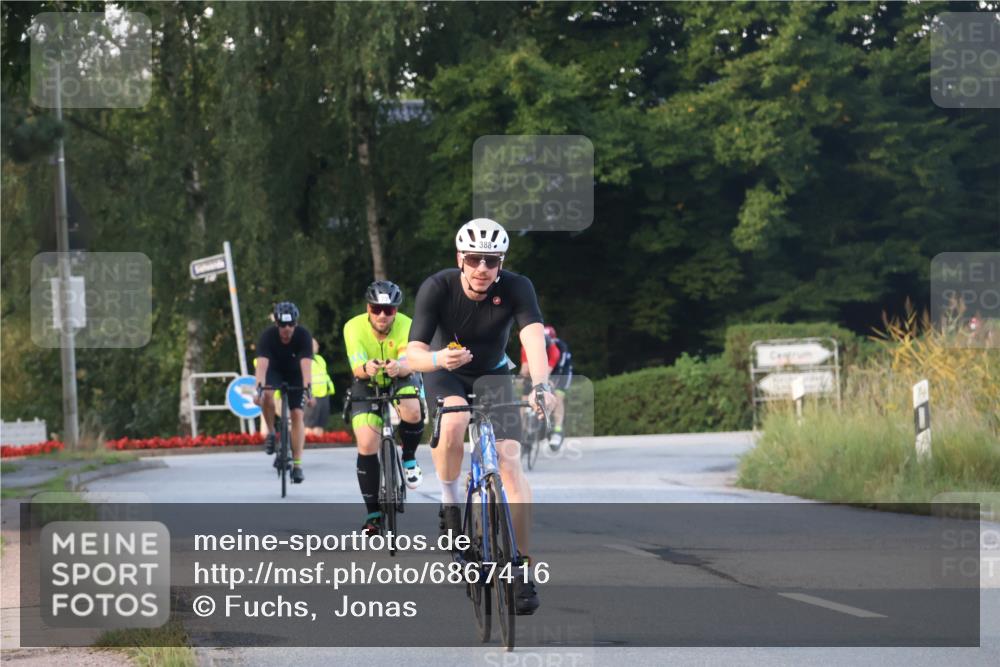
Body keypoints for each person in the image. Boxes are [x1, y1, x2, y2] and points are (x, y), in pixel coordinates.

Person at [405, 217, 555, 616]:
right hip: (444, 371)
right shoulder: (438, 287)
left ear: (501, 262)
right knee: (453, 421)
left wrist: (541, 385)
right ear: (461, 259)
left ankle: (522, 569)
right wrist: (439, 358)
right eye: (474, 259)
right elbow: (412, 354)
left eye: (491, 260)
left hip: (493, 374)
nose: (482, 269)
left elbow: (533, 340)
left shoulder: (518, 287)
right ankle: (450, 502)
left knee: (509, 464)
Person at [344, 280, 425, 536]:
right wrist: (367, 369)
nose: (382, 315)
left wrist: (398, 367)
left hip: (400, 374)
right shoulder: (353, 327)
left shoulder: (407, 324)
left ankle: (409, 457)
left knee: (412, 410)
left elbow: (409, 359)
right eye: (376, 309)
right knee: (367, 443)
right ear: (368, 308)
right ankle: (373, 514)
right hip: (366, 381)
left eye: (389, 310)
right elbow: (357, 367)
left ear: (396, 311)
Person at [252, 301, 315, 484]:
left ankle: (297, 465)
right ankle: (271, 432)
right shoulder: (267, 336)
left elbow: (306, 366)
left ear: (296, 323)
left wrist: (308, 390)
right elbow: (262, 366)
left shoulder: (303, 336)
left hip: (295, 372)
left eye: (290, 325)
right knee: (268, 394)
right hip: (275, 370)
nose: (286, 329)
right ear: (276, 324)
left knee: (297, 414)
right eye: (282, 325)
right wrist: (259, 390)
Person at [519, 324, 572, 450]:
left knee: (558, 395)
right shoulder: (527, 347)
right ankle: (524, 429)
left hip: (559, 371)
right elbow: (525, 368)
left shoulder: (556, 350)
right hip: (539, 369)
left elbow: (546, 374)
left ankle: (557, 430)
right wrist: (521, 378)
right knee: (524, 396)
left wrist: (541, 384)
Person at [304, 339, 336, 437]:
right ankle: (308, 445)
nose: (318, 345)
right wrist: (308, 395)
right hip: (312, 395)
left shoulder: (320, 359)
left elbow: (323, 375)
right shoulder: (304, 360)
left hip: (324, 393)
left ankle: (318, 441)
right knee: (309, 422)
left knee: (321, 422)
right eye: (315, 344)